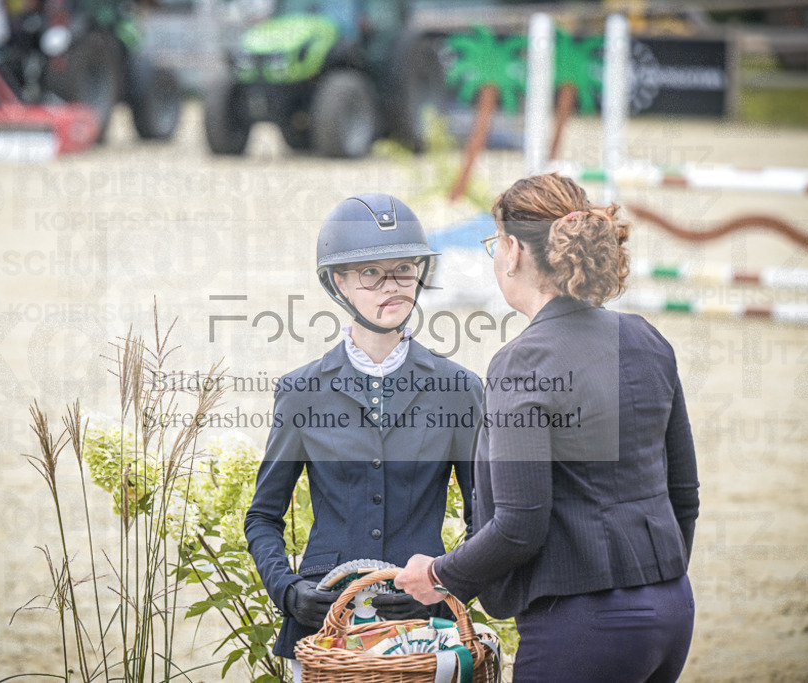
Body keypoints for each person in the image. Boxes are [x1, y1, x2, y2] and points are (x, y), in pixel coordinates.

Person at [395, 173, 700, 683]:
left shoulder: (523, 361)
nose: (496, 255)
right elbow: (683, 494)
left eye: (495, 242)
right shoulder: (647, 338)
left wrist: (438, 575)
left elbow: (520, 525)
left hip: (585, 627)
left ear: (513, 250)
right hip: (672, 610)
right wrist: (654, 582)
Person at [244, 193, 482, 675]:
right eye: (371, 273)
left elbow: (486, 521)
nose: (391, 285)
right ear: (339, 283)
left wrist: (443, 584)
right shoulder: (301, 392)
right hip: (323, 624)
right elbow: (263, 516)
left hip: (424, 626)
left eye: (403, 269)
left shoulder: (459, 389)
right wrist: (288, 590)